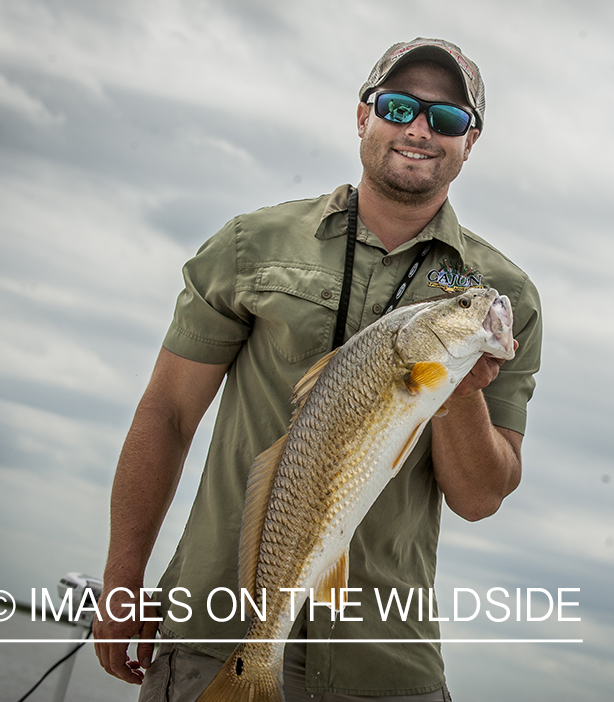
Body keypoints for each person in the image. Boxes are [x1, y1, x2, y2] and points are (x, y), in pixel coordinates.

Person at [93, 37, 542, 701]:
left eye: (446, 118)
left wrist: (455, 392)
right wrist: (122, 578)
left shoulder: (505, 292)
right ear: (363, 115)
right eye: (397, 106)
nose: (418, 128)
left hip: (385, 662)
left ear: (469, 141)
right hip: (216, 627)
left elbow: (480, 496)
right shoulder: (252, 244)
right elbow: (168, 415)